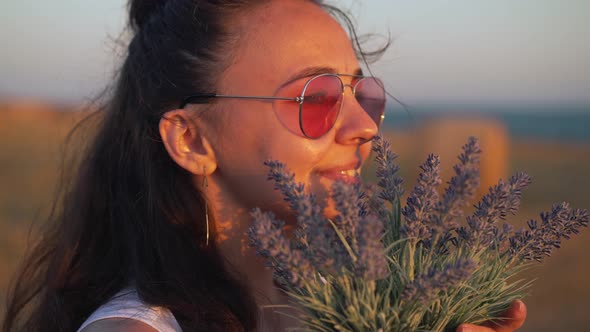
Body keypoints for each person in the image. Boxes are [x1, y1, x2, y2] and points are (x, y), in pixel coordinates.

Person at [2, 1, 527, 331]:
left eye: (361, 92)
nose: (365, 126)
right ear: (190, 139)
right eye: (314, 97)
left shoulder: (341, 306)